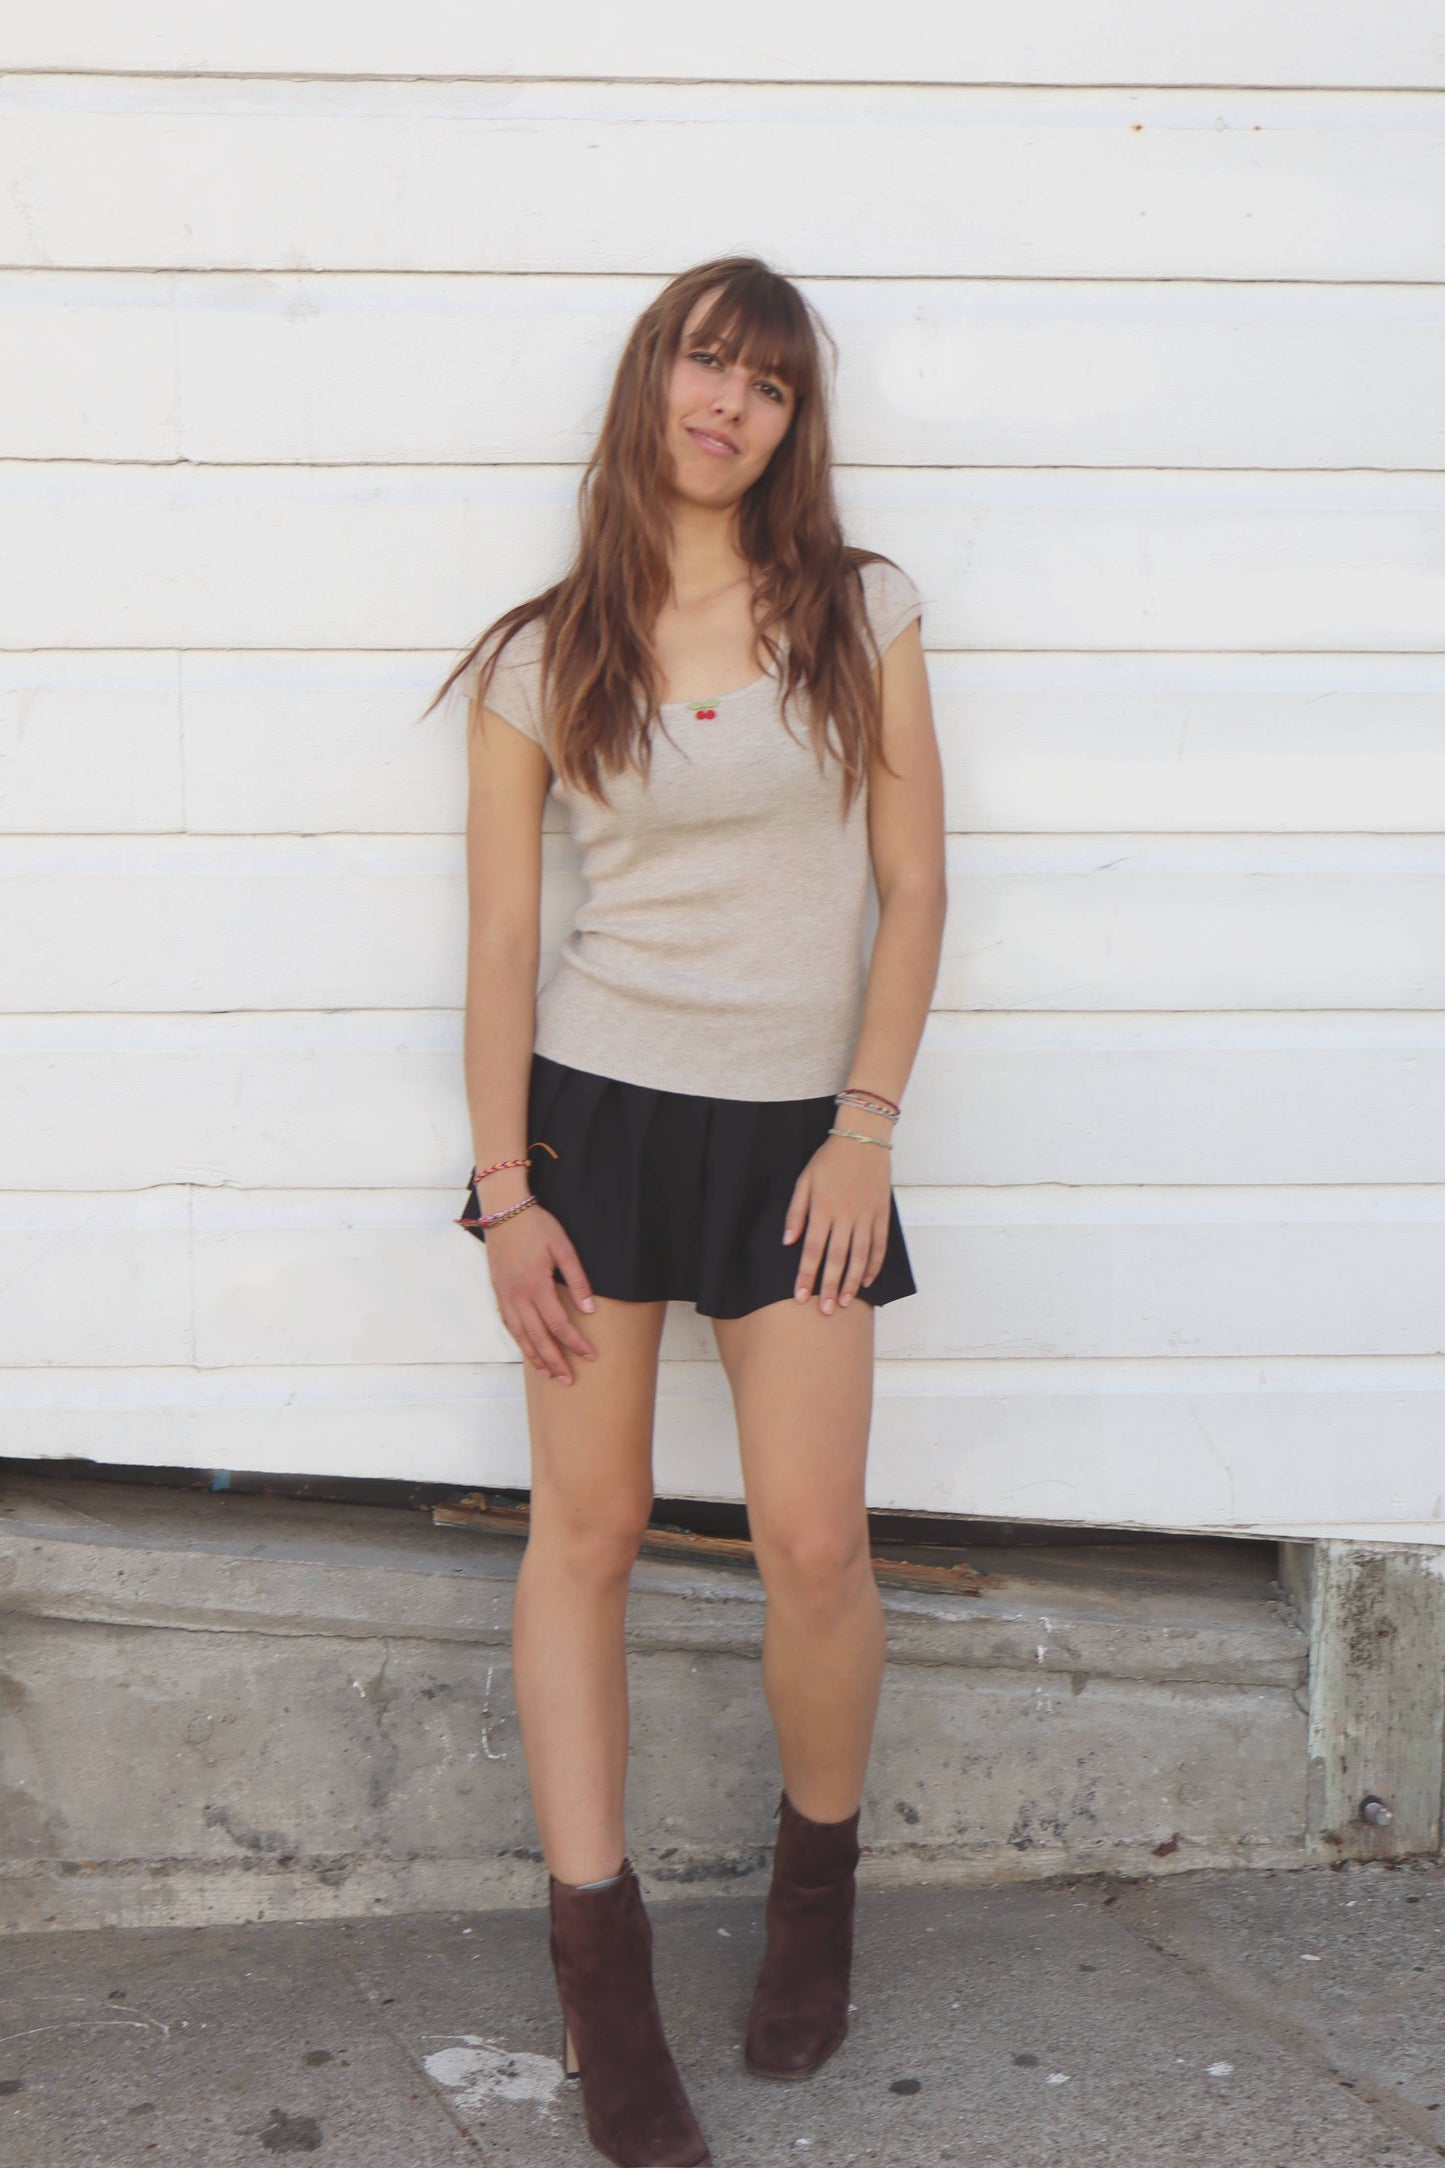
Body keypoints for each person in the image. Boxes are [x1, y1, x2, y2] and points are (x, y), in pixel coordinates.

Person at [435, 255, 946, 2168]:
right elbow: (499, 940)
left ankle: (814, 1893)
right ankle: (603, 1982)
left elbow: (912, 889)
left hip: (798, 1139)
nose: (725, 404)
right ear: (649, 385)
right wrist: (501, 1198)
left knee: (812, 1540)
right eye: (700, 366)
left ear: (794, 426)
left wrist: (864, 1125)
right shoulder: (538, 648)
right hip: (595, 1129)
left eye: (767, 384)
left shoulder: (861, 615)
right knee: (592, 1531)